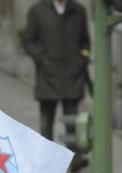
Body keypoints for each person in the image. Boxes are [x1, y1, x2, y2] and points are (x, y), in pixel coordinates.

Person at [22, 0, 90, 156]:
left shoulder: (78, 10)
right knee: (47, 121)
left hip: (73, 75)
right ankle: (48, 158)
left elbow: (85, 40)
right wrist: (41, 59)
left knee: (73, 121)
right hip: (48, 75)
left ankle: (75, 158)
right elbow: (28, 40)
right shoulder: (37, 10)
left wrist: (82, 59)